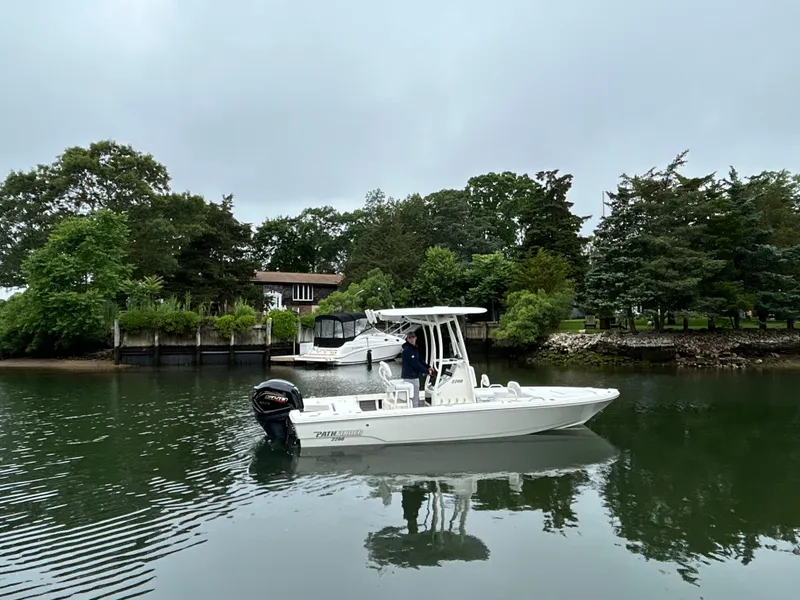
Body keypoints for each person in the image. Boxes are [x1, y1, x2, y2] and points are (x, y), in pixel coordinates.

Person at [401, 331, 435, 407]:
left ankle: (414, 409)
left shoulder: (413, 348)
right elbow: (415, 364)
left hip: (413, 376)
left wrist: (428, 367)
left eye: (413, 337)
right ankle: (414, 411)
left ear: (416, 338)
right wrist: (426, 371)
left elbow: (419, 360)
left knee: (415, 396)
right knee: (414, 397)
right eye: (410, 338)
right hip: (410, 377)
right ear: (407, 339)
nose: (412, 339)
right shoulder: (408, 350)